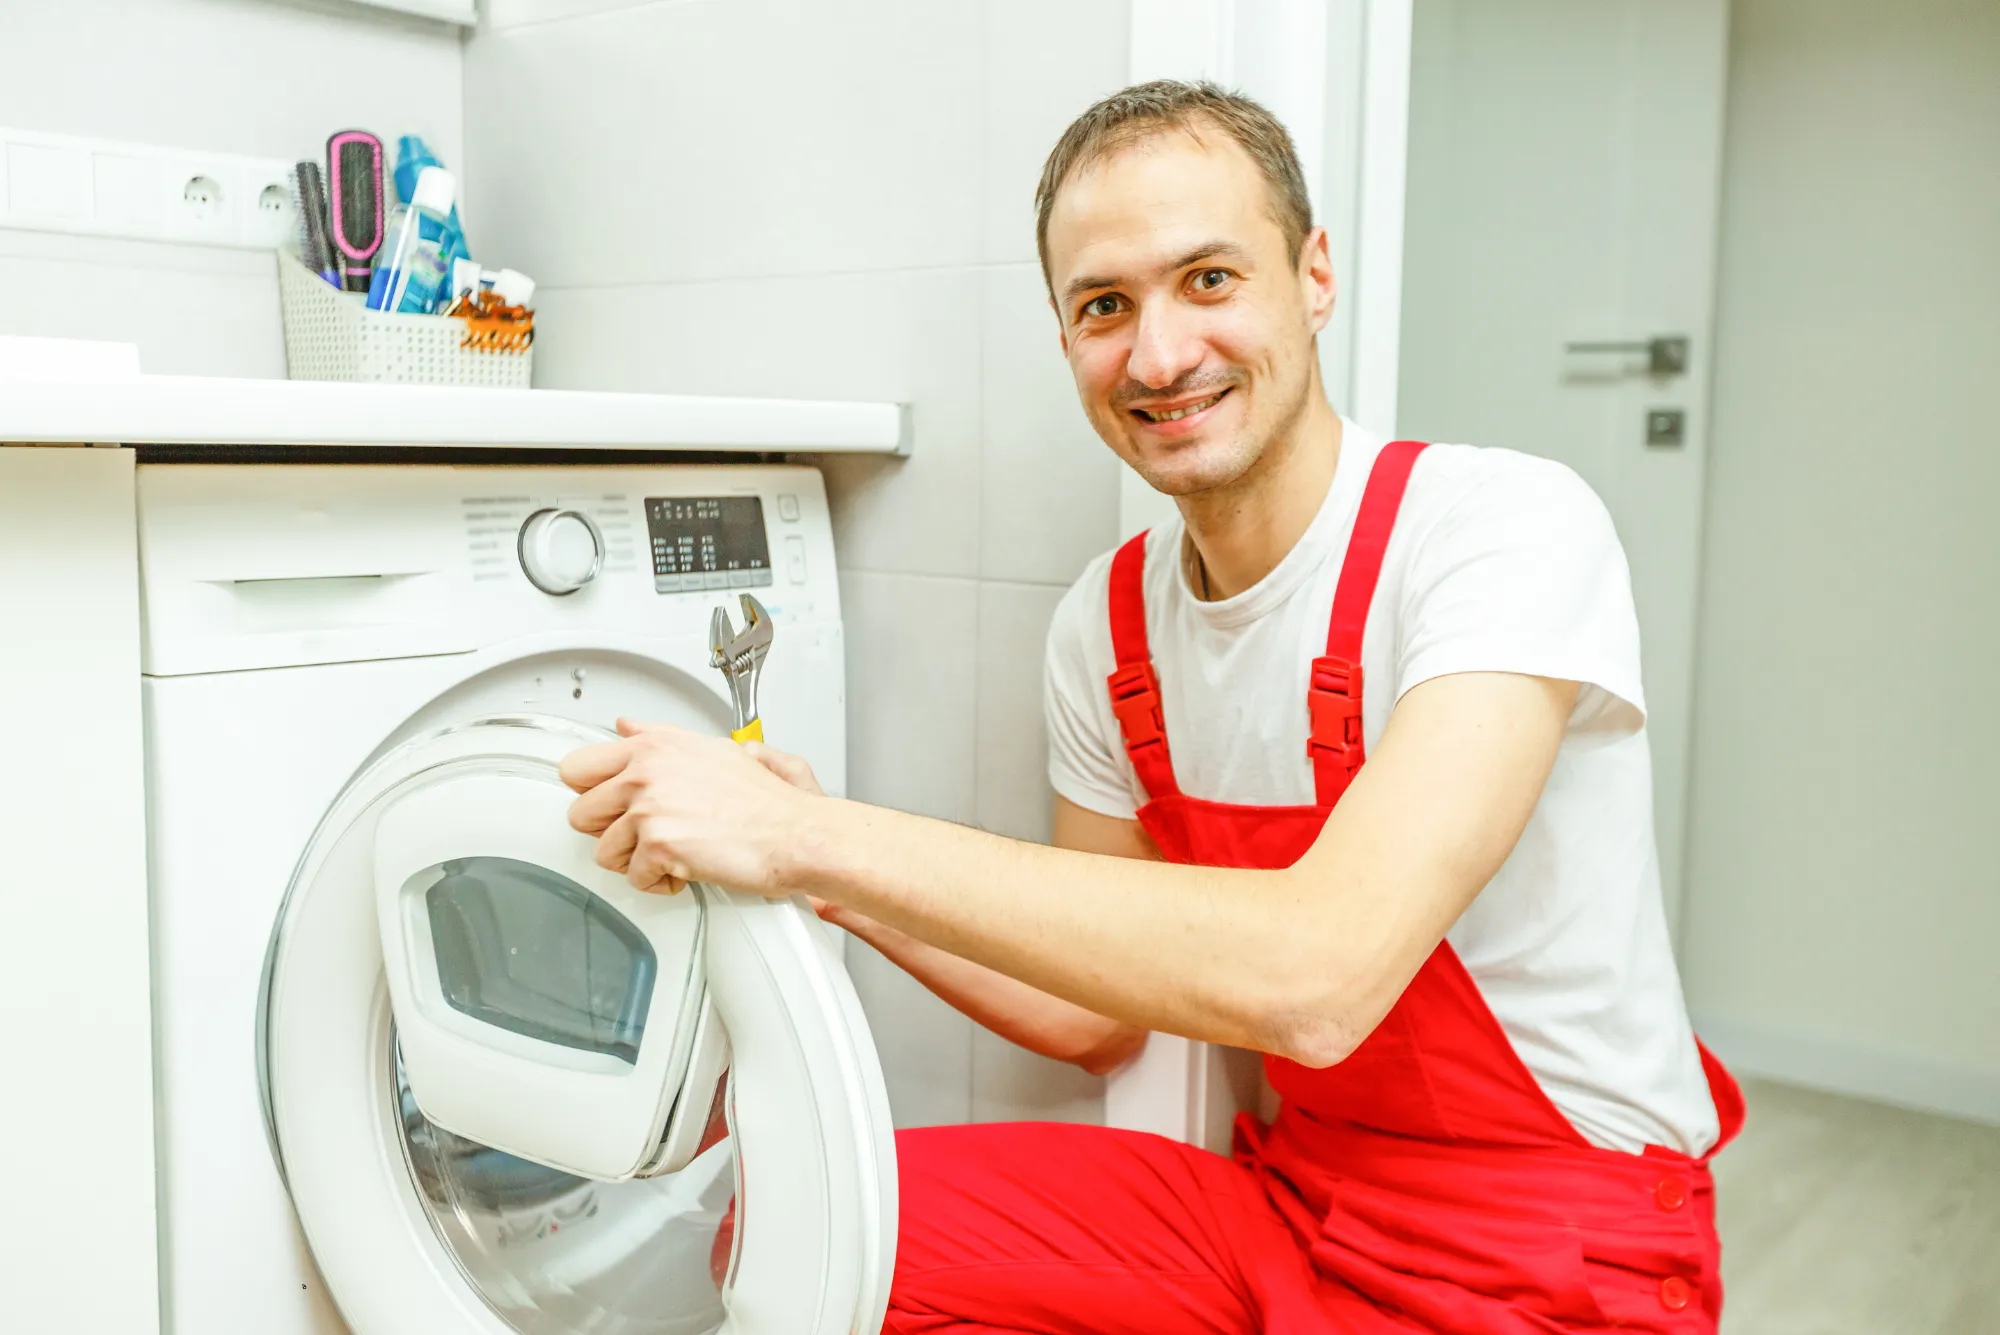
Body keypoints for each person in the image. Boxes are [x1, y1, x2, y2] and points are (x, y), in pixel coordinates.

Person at [560, 80, 1742, 1334]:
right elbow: (1087, 1018)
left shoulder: (1495, 532)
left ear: (1314, 276)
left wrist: (809, 838)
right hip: (1292, 1204)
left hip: (1553, 1247)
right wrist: (800, 849)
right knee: (813, 1228)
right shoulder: (1106, 626)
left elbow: (1323, 974)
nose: (1160, 355)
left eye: (1210, 280)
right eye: (1104, 307)